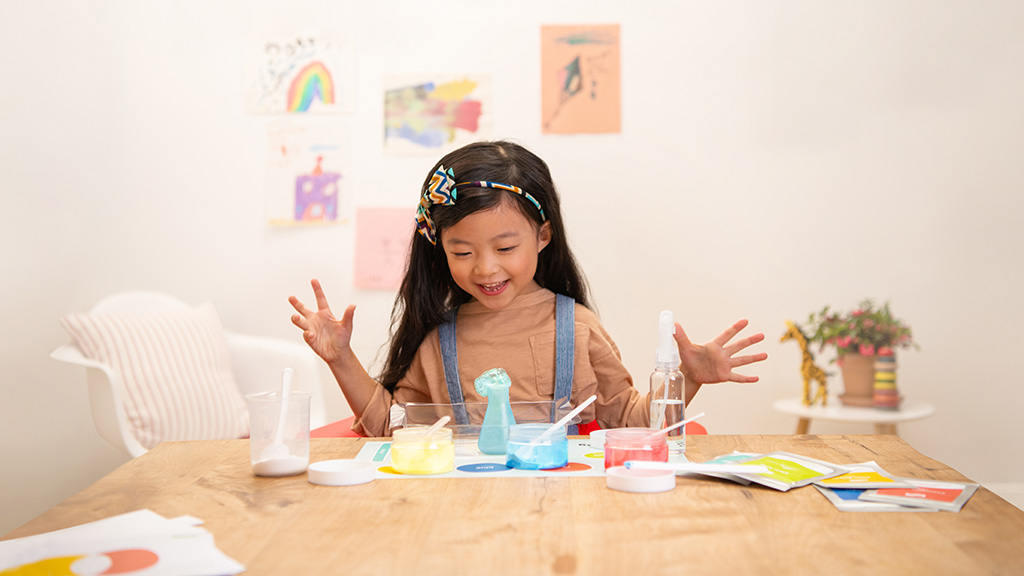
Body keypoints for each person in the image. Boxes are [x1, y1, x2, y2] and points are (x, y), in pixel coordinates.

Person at [289, 140, 767, 437]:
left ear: (542, 235)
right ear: (440, 250)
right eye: (462, 251)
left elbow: (637, 424)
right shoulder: (438, 339)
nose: (485, 268)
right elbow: (389, 427)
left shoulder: (577, 328)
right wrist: (340, 357)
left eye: (505, 247)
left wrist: (688, 379)